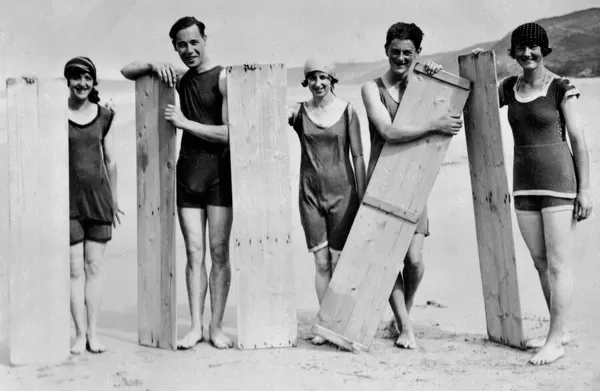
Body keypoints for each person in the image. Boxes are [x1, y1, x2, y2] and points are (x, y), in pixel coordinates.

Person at [474, 22, 592, 365]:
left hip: (559, 184)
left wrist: (585, 191)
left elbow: (580, 144)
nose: (527, 53)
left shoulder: (560, 88)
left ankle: (555, 340)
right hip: (523, 184)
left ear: (544, 50)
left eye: (534, 48)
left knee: (557, 264)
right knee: (540, 262)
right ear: (512, 53)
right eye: (520, 48)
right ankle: (561, 331)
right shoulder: (509, 87)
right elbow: (472, 100)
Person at [121, 16, 236, 349]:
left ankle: (216, 325)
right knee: (193, 252)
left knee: (218, 253)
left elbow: (229, 133)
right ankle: (196, 326)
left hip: (219, 176)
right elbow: (128, 71)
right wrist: (153, 63)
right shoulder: (180, 79)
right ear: (175, 47)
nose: (189, 50)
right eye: (181, 45)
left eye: (194, 42)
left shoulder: (223, 77)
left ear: (205, 39)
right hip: (187, 175)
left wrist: (186, 123)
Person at [361, 22, 463, 349]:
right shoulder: (371, 88)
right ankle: (406, 326)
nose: (400, 58)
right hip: (381, 180)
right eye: (395, 52)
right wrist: (433, 124)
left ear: (417, 53)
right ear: (386, 50)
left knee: (414, 260)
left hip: (415, 181)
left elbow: (450, 104)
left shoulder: (421, 86)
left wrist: (435, 73)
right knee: (388, 259)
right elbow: (388, 131)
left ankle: (403, 313)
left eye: (408, 53)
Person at [23, 57, 124, 354]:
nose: (82, 83)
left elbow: (111, 161)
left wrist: (115, 199)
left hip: (98, 201)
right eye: (76, 77)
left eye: (87, 78)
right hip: (66, 204)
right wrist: (31, 86)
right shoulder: (55, 113)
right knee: (74, 271)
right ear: (67, 80)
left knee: (94, 267)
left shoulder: (105, 116)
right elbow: (31, 120)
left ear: (94, 81)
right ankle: (79, 335)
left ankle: (94, 333)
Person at [288, 58, 366, 345]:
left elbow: (358, 155)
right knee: (321, 263)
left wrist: (363, 194)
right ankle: (324, 321)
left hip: (344, 195)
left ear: (332, 80)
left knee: (339, 260)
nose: (318, 83)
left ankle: (340, 321)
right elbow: (266, 112)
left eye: (323, 77)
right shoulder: (298, 112)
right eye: (312, 78)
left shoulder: (348, 111)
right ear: (305, 81)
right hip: (309, 196)